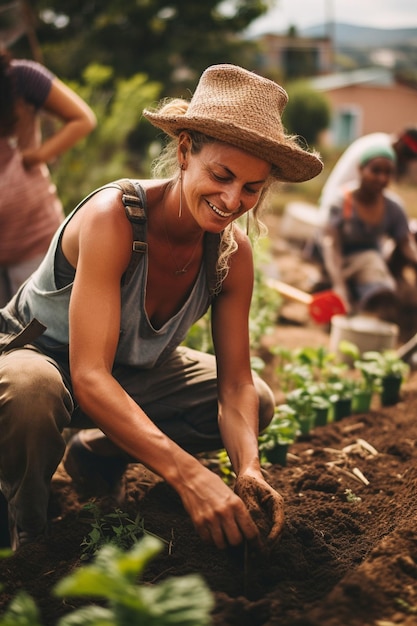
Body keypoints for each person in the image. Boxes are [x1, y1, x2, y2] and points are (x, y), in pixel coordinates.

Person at [0, 63, 322, 552]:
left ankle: (96, 454)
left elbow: (234, 384)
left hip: (125, 374)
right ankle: (28, 533)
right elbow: (88, 375)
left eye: (252, 189)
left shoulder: (231, 255)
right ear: (185, 150)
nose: (233, 199)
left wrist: (249, 469)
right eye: (222, 175)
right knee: (31, 391)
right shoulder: (116, 219)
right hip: (42, 357)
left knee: (257, 397)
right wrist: (188, 476)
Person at [0, 48, 97, 306]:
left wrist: (37, 155)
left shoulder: (21, 77)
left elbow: (82, 118)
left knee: (43, 326)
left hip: (35, 237)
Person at [320, 144, 417, 317]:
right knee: (371, 263)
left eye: (388, 173)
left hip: (373, 263)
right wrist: (339, 286)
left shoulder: (393, 207)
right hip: (339, 262)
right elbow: (331, 246)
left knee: (390, 287)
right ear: (361, 169)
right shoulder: (342, 201)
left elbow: (406, 244)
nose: (381, 178)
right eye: (375, 171)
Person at [318, 128, 417, 223]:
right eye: (405, 155)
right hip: (339, 210)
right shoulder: (381, 151)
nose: (382, 178)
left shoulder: (379, 140)